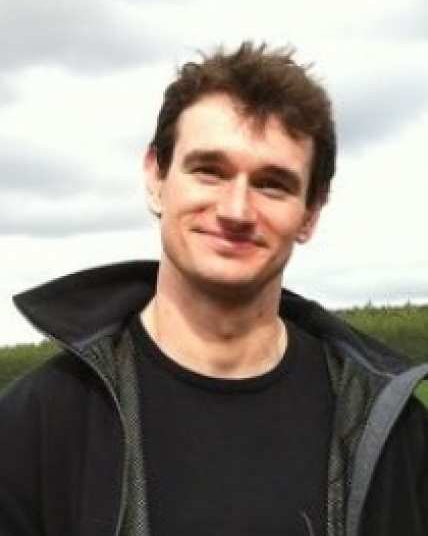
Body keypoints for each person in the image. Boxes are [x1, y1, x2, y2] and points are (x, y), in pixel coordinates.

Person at [0, 42, 427, 536]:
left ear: (311, 212)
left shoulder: (387, 430)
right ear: (156, 177)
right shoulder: (37, 423)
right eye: (209, 171)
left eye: (272, 184)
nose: (236, 211)